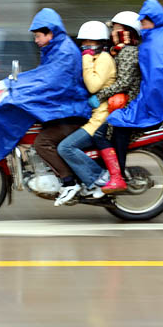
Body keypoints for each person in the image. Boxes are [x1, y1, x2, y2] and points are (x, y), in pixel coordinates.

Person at [0, 8, 90, 167]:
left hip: (69, 110)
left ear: (50, 33)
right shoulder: (55, 49)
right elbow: (44, 77)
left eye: (37, 36)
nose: (35, 40)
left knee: (13, 116)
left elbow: (52, 83)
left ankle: (68, 181)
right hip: (63, 108)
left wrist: (21, 93)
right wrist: (18, 85)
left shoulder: (65, 52)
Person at [100, 0, 163, 193]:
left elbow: (158, 82)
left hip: (160, 104)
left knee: (119, 125)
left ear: (153, 21)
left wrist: (142, 105)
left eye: (145, 22)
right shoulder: (159, 39)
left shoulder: (158, 43)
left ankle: (117, 176)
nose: (142, 27)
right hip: (159, 100)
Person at [54, 20, 116, 205]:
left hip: (101, 119)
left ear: (100, 43)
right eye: (83, 42)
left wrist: (87, 58)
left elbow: (93, 85)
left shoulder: (103, 59)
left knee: (65, 147)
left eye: (89, 42)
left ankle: (98, 178)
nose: (84, 46)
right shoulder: (96, 59)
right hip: (93, 116)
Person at [87, 11, 143, 194]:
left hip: (126, 109)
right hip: (119, 105)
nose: (112, 33)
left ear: (127, 31)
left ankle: (116, 177)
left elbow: (123, 83)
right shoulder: (119, 51)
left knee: (100, 135)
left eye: (116, 29)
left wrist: (100, 95)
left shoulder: (129, 52)